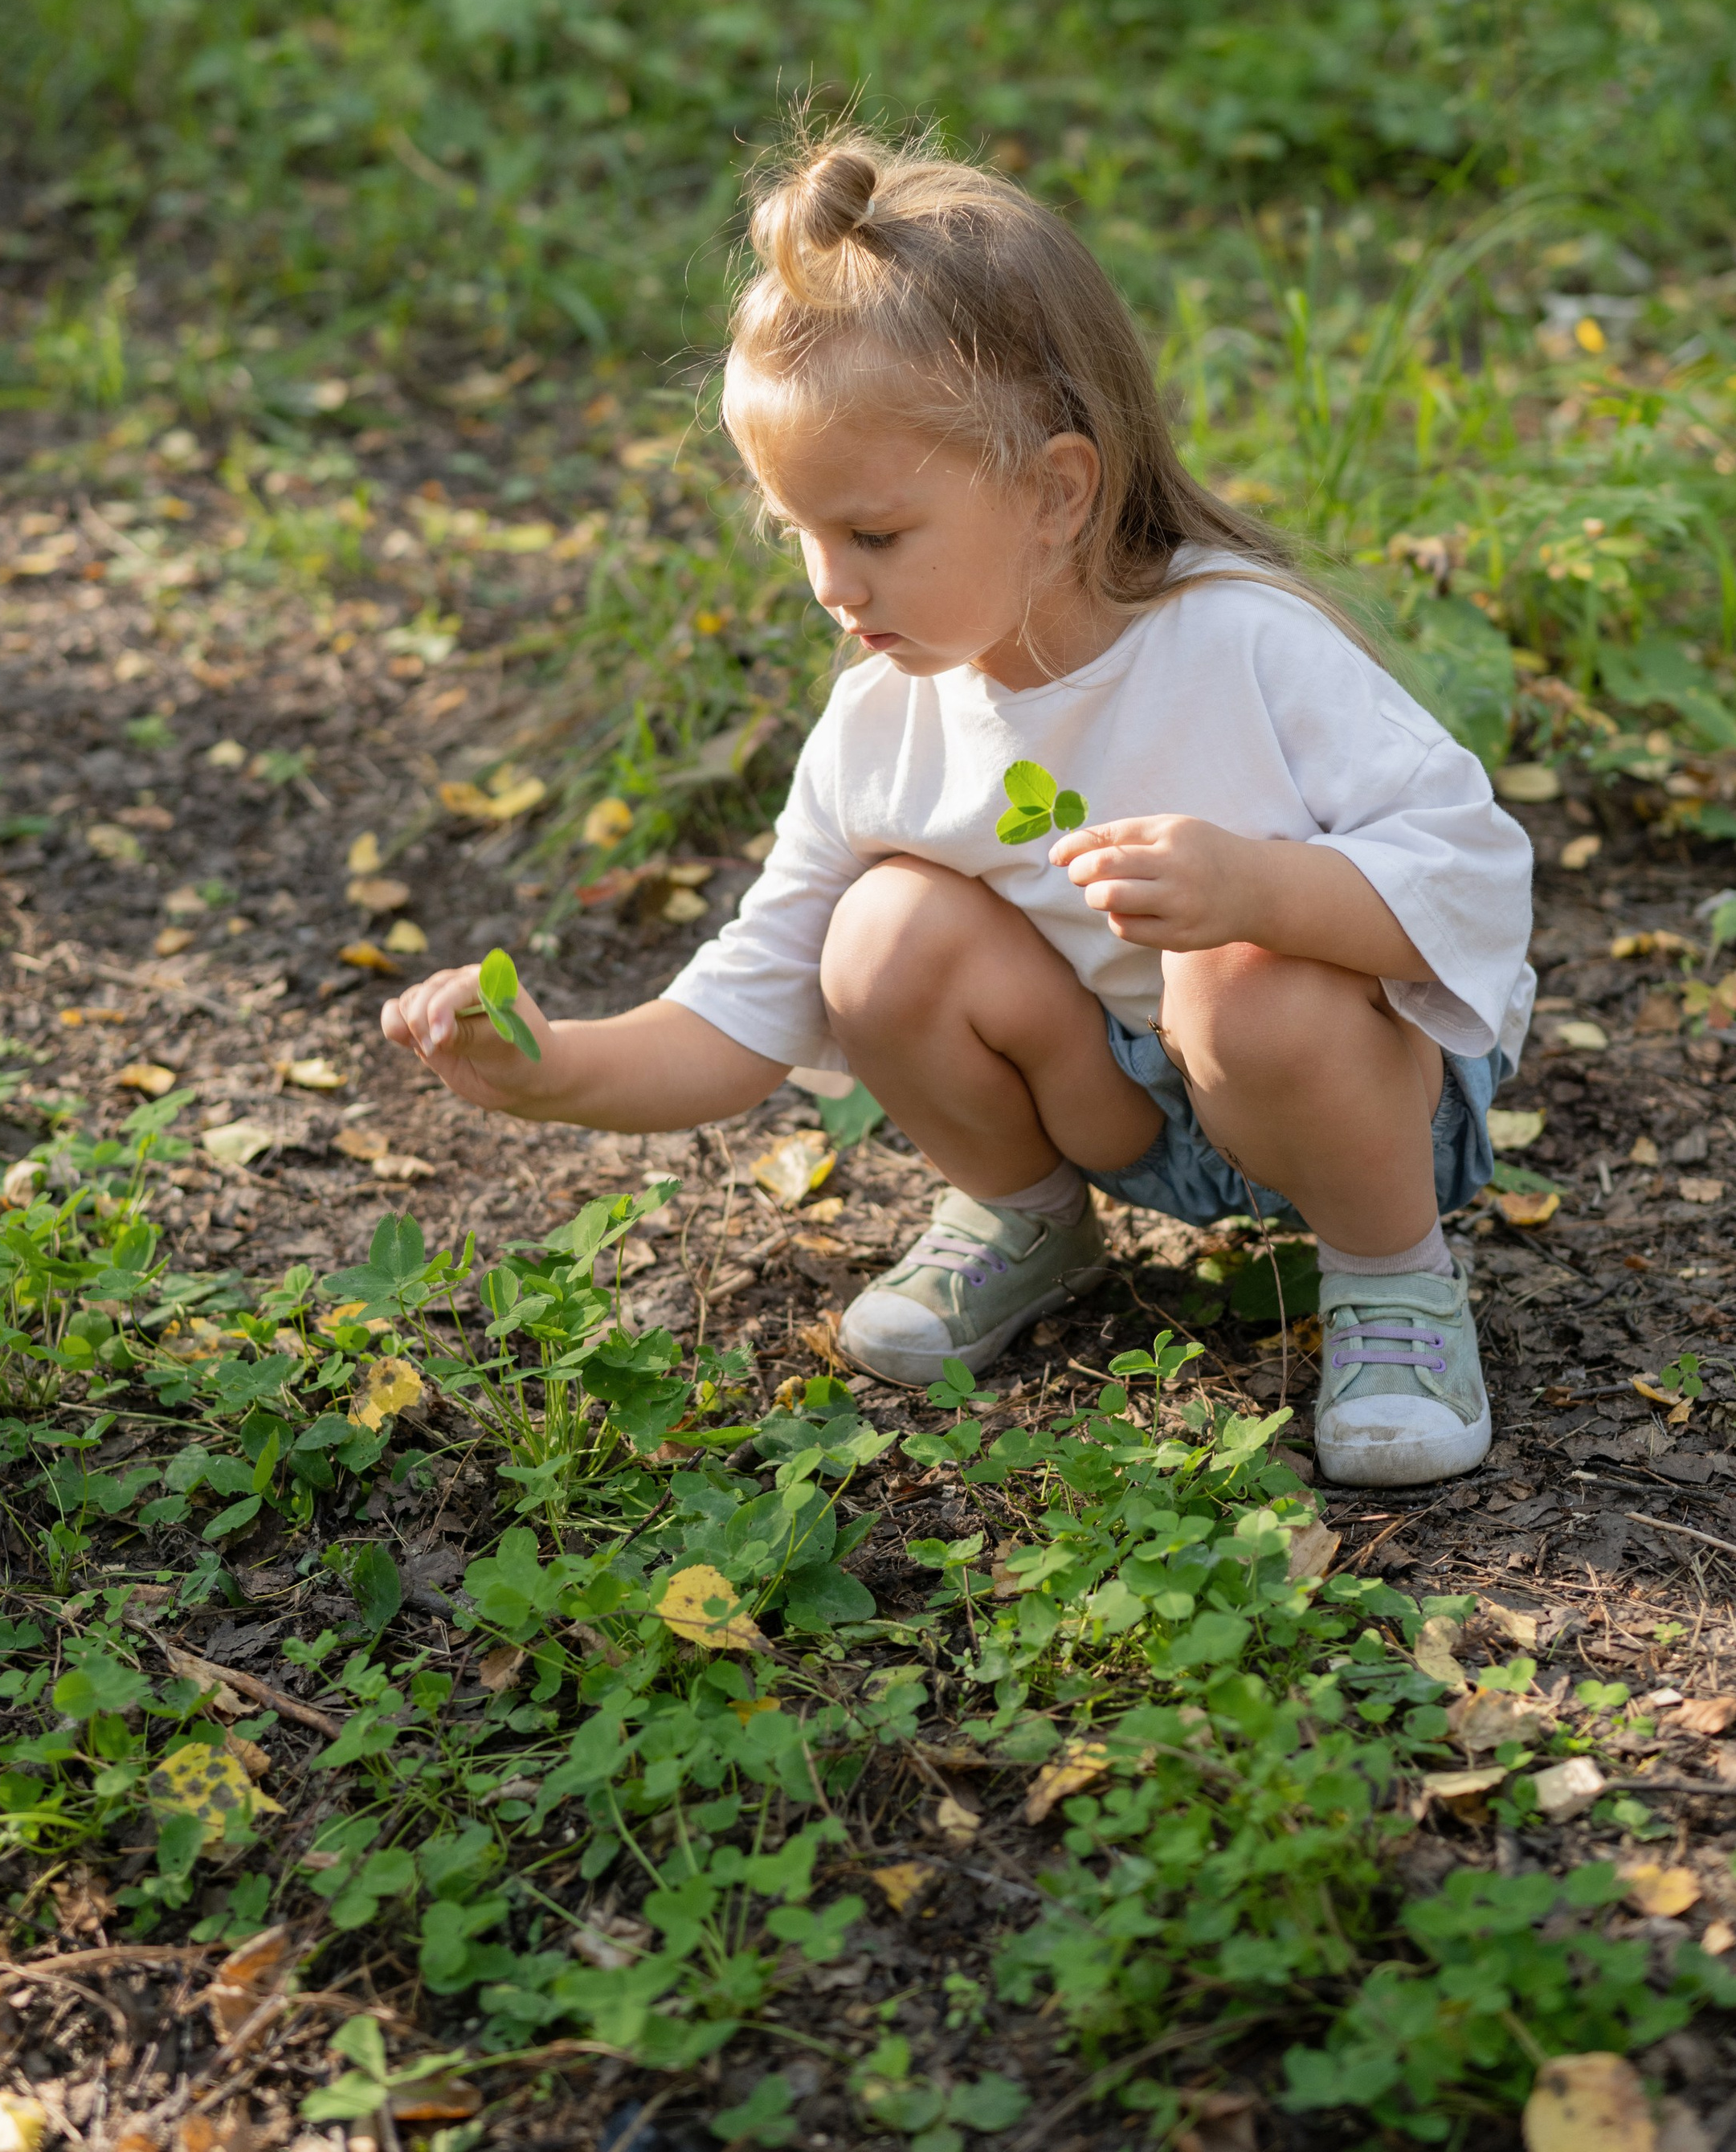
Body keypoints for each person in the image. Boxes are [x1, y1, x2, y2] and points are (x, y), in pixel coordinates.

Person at [381, 133, 1534, 1488]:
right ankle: (1030, 1218)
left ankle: (1393, 1277)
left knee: (1239, 979)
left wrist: (1260, 892)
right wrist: (555, 1068)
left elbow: (1476, 874)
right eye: (798, 533)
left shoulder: (1242, 645)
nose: (829, 585)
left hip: (1357, 1095)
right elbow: (750, 1001)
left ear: (1056, 491)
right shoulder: (882, 719)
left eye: (873, 537)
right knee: (875, 935)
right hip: (1123, 1111)